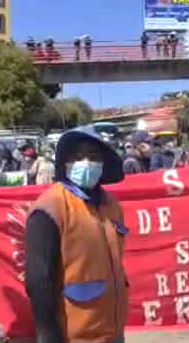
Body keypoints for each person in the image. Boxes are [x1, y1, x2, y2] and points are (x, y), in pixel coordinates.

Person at [25, 126, 127, 343]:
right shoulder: (50, 208)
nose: (86, 163)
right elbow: (38, 280)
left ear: (103, 163)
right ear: (65, 163)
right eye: (77, 157)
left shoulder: (112, 205)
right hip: (74, 336)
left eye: (93, 157)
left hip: (113, 331)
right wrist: (50, 336)